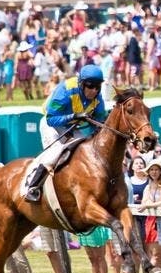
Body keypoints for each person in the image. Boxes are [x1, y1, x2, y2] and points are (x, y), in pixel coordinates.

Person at [25, 64, 107, 202]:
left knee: (86, 151)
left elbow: (98, 121)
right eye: (90, 86)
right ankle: (33, 187)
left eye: (97, 86)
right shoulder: (65, 90)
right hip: (51, 124)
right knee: (56, 151)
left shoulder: (98, 98)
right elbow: (51, 119)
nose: (94, 90)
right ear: (81, 84)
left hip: (71, 127)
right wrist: (74, 116)